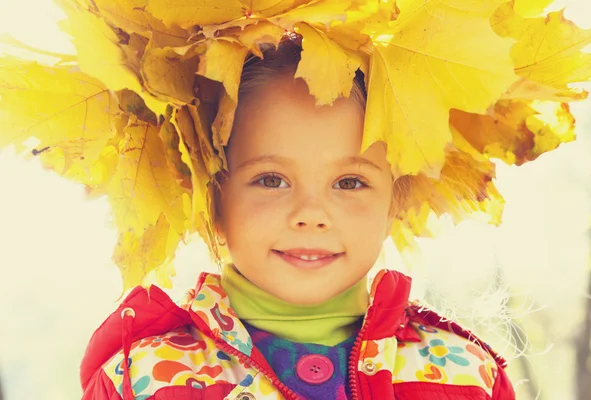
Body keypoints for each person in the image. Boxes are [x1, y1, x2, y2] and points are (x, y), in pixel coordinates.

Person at [79, 38, 514, 400]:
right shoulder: (145, 380)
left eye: (348, 183)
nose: (310, 215)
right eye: (271, 180)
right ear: (213, 196)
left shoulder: (464, 376)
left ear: (395, 200)